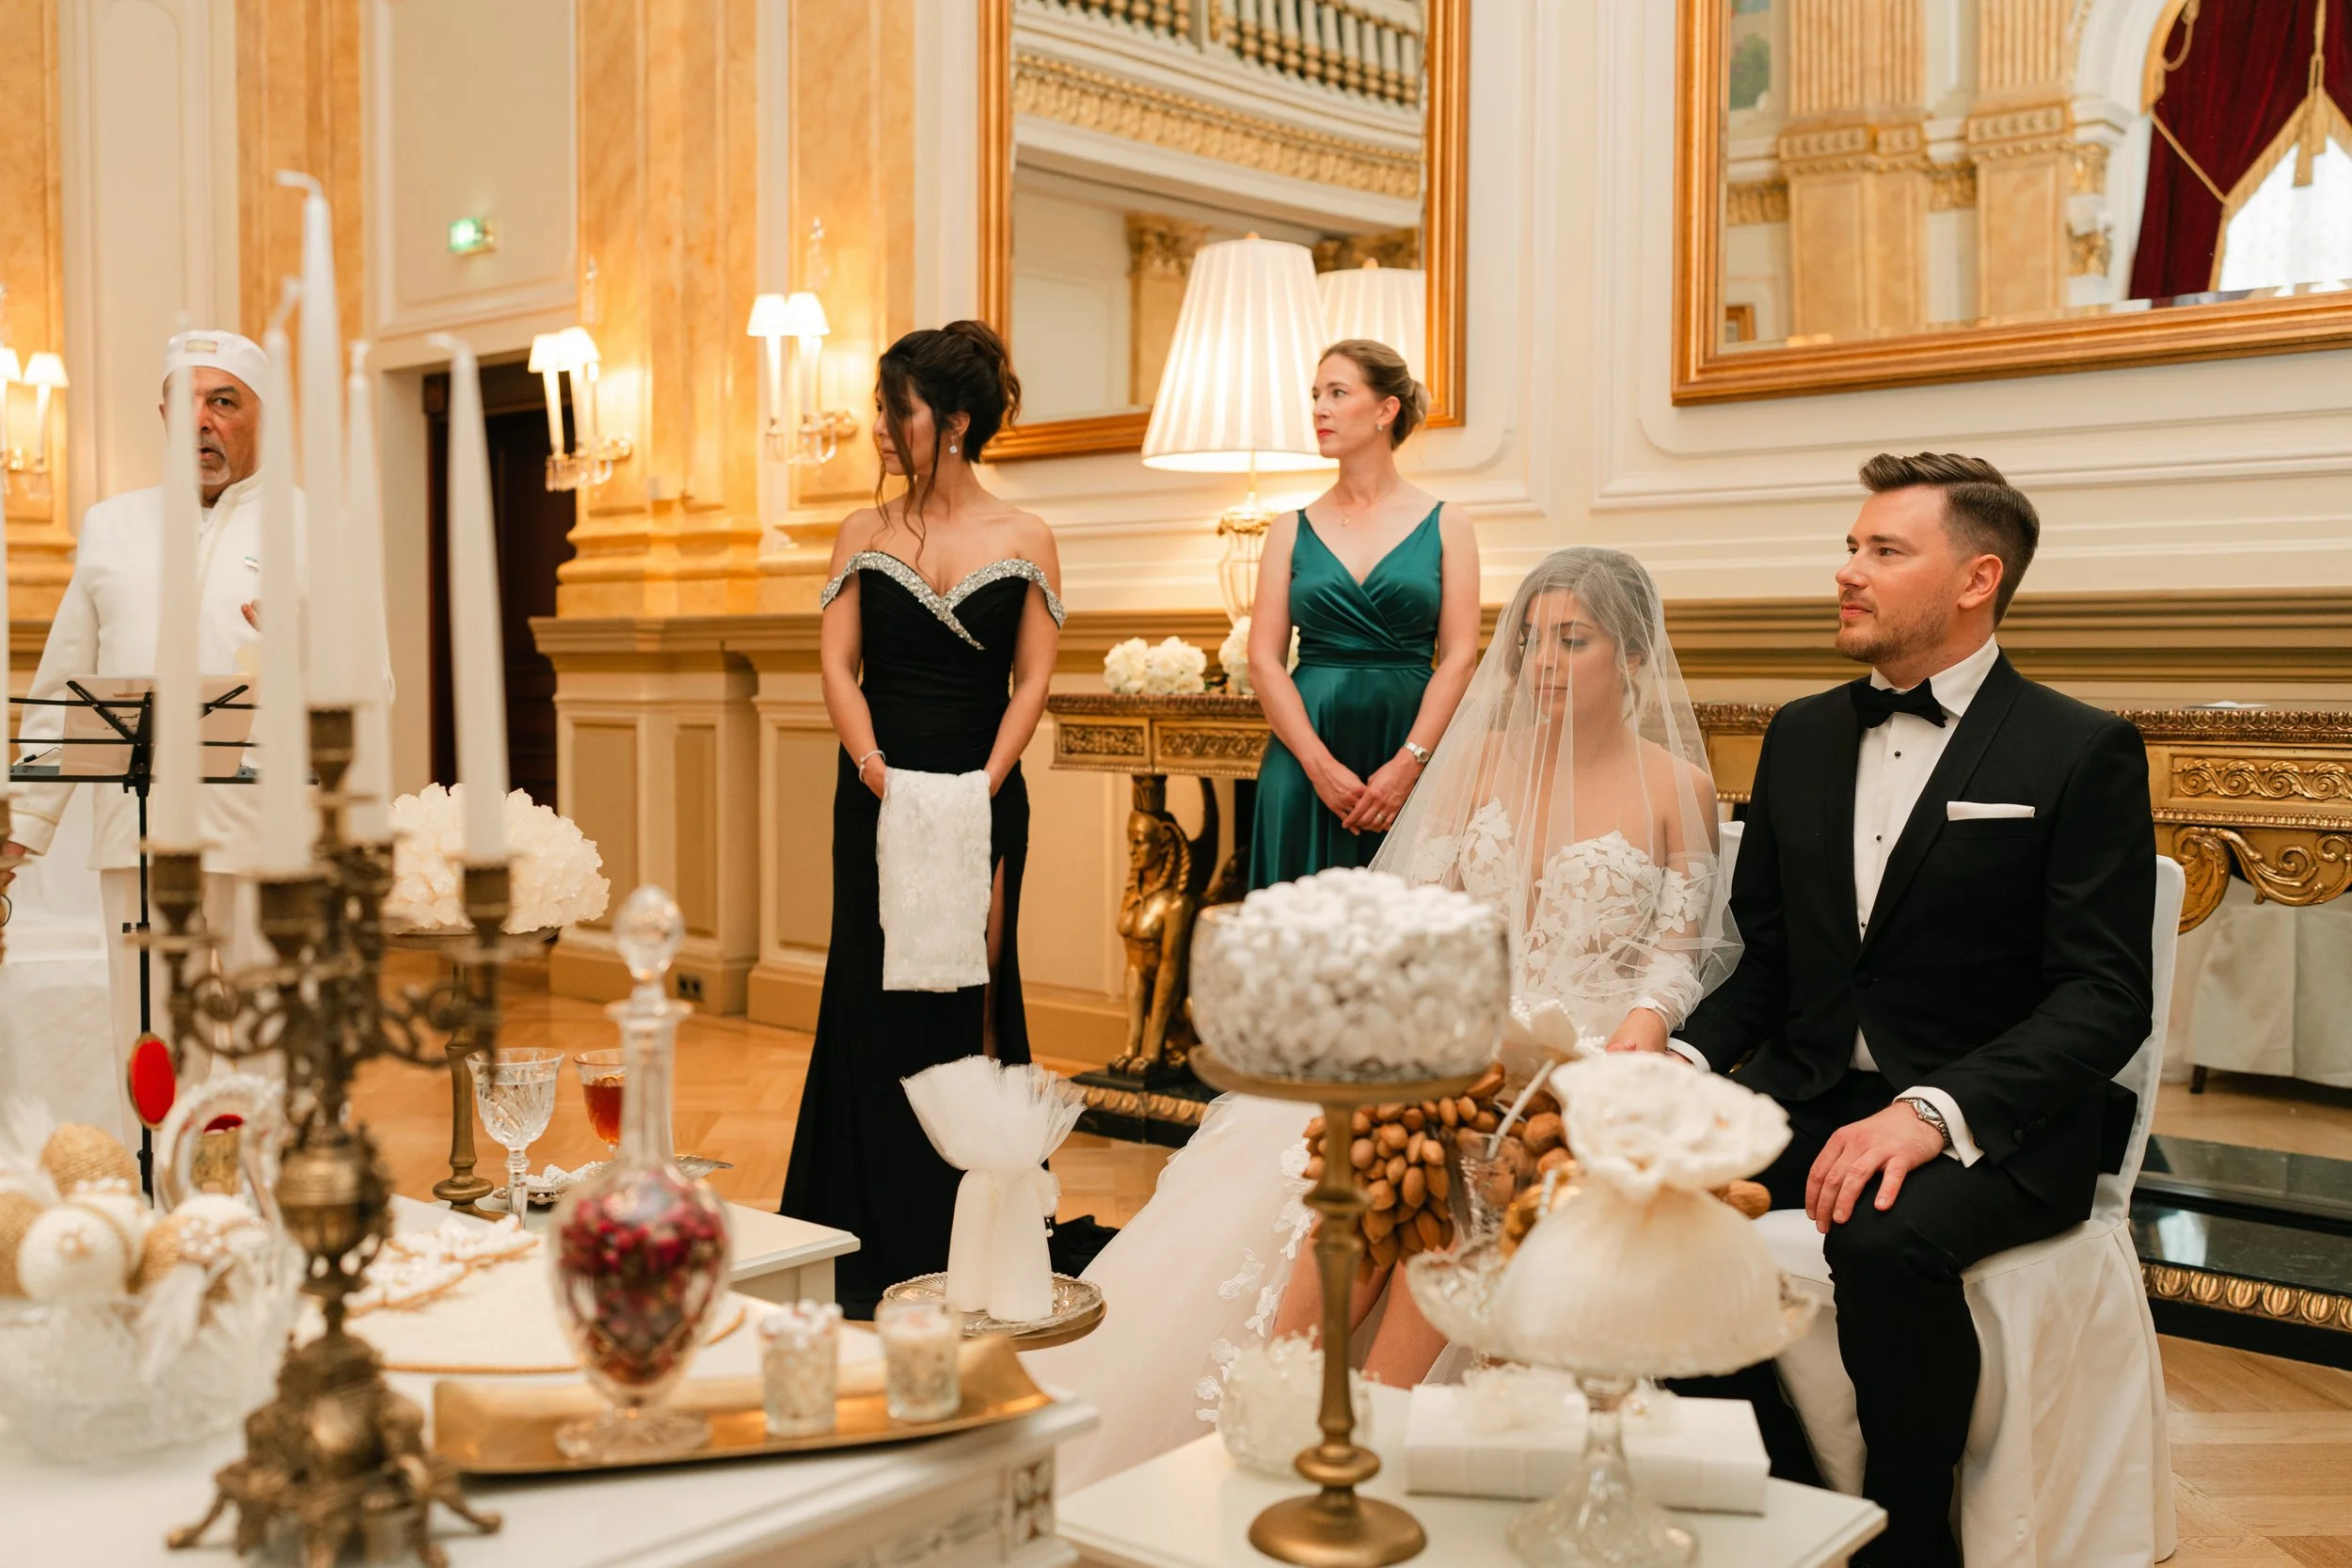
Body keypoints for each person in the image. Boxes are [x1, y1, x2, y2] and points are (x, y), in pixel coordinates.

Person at [1030, 546, 1737, 1489]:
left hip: (1592, 1056)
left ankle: (1375, 1416)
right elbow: (1412, 915)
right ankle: (1278, 1396)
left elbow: (1676, 952)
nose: (1546, 664)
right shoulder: (1478, 756)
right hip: (1452, 1029)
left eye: (1574, 640)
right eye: (1531, 641)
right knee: (1381, 1135)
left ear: (1635, 656)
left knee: (1479, 1162)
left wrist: (1642, 1029)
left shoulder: (1677, 787)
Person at [1652, 453, 2156, 1568]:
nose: (1847, 571)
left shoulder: (2078, 749)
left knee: (1878, 1240)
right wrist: (1677, 1061)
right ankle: (1774, 1498)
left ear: (1977, 576)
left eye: (1884, 551)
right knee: (1639, 1213)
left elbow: (2103, 994)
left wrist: (1935, 1110)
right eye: (1850, 545)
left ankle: (1907, 1534)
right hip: (1815, 1085)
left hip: (2002, 1119)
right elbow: (1770, 962)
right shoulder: (1800, 734)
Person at [778, 321, 1062, 1318]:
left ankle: (972, 1230)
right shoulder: (863, 529)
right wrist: (873, 766)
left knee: (970, 1001)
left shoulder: (1026, 536)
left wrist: (984, 781)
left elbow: (1032, 677)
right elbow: (834, 663)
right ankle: (865, 1224)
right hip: (877, 791)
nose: (882, 426)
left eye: (897, 406)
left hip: (982, 792)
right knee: (871, 995)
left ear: (955, 418)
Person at [5, 330, 285, 1148]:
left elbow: (372, 687)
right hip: (138, 839)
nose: (201, 422)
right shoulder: (108, 526)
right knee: (156, 1047)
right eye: (185, 404)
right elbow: (63, 685)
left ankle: (281, 1221)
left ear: (260, 416)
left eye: (224, 401)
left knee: (274, 1050)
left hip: (266, 839)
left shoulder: (313, 525)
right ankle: (169, 1207)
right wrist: (23, 826)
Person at [1245, 340, 1478, 887]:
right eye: (1315, 395)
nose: (1319, 409)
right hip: (1305, 751)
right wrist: (1318, 766)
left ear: (1385, 410)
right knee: (1297, 929)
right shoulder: (1288, 527)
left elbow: (1461, 657)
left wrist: (1409, 763)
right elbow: (1263, 659)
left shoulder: (1449, 523)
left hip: (1410, 744)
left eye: (1338, 393)